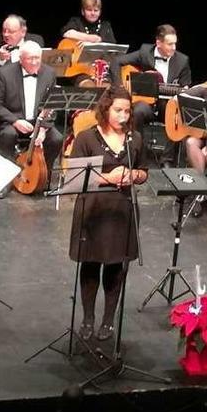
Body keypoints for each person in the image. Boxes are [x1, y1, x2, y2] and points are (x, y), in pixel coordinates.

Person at [68, 86, 148, 341]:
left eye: (127, 111)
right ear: (105, 110)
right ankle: (88, 318)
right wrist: (107, 178)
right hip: (93, 209)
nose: (123, 116)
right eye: (117, 110)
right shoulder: (86, 138)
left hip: (122, 210)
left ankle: (108, 321)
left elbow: (144, 171)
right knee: (91, 264)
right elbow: (74, 177)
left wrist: (134, 175)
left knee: (116, 266)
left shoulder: (134, 138)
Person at [0, 40, 63, 197]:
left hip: (38, 121)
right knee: (8, 135)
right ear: (21, 59)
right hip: (12, 120)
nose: (35, 62)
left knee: (56, 138)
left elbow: (52, 105)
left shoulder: (49, 73)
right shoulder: (5, 73)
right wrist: (15, 121)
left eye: (37, 58)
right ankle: (5, 180)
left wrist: (43, 128)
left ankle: (42, 177)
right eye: (30, 58)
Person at [110, 24, 192, 166]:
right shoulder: (145, 52)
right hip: (145, 102)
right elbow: (116, 62)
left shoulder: (182, 60)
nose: (174, 48)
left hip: (166, 103)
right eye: (170, 44)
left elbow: (186, 87)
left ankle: (167, 159)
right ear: (158, 43)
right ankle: (137, 156)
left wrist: (184, 90)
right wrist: (120, 88)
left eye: (175, 44)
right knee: (138, 110)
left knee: (176, 114)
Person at [0, 14, 45, 80]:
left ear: (23, 32)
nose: (6, 34)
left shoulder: (37, 40)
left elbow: (43, 67)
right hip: (8, 84)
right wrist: (0, 59)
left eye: (11, 31)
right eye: (4, 31)